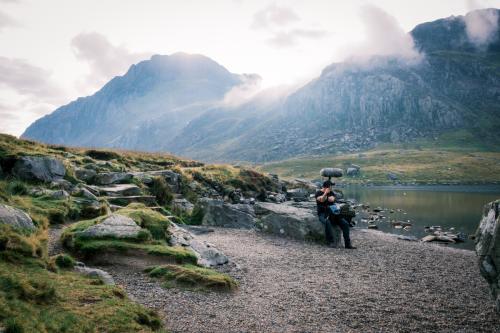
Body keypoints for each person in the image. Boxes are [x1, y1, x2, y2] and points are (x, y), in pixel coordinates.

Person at [315, 180, 356, 249]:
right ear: (327, 187)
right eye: (331, 186)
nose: (332, 187)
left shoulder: (331, 193)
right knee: (327, 222)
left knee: (345, 224)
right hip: (322, 213)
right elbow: (321, 200)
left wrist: (327, 196)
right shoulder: (318, 193)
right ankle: (331, 242)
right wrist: (325, 193)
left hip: (333, 213)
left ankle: (347, 244)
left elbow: (332, 199)